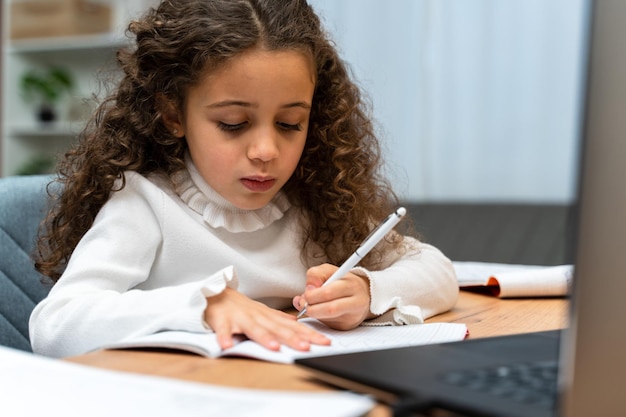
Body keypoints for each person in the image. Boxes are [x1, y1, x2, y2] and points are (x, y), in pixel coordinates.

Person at [29, 0, 458, 358]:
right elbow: (55, 325)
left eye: (290, 123)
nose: (266, 151)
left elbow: (438, 273)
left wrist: (368, 292)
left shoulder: (316, 204)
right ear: (174, 114)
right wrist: (205, 305)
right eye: (234, 123)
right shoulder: (146, 205)